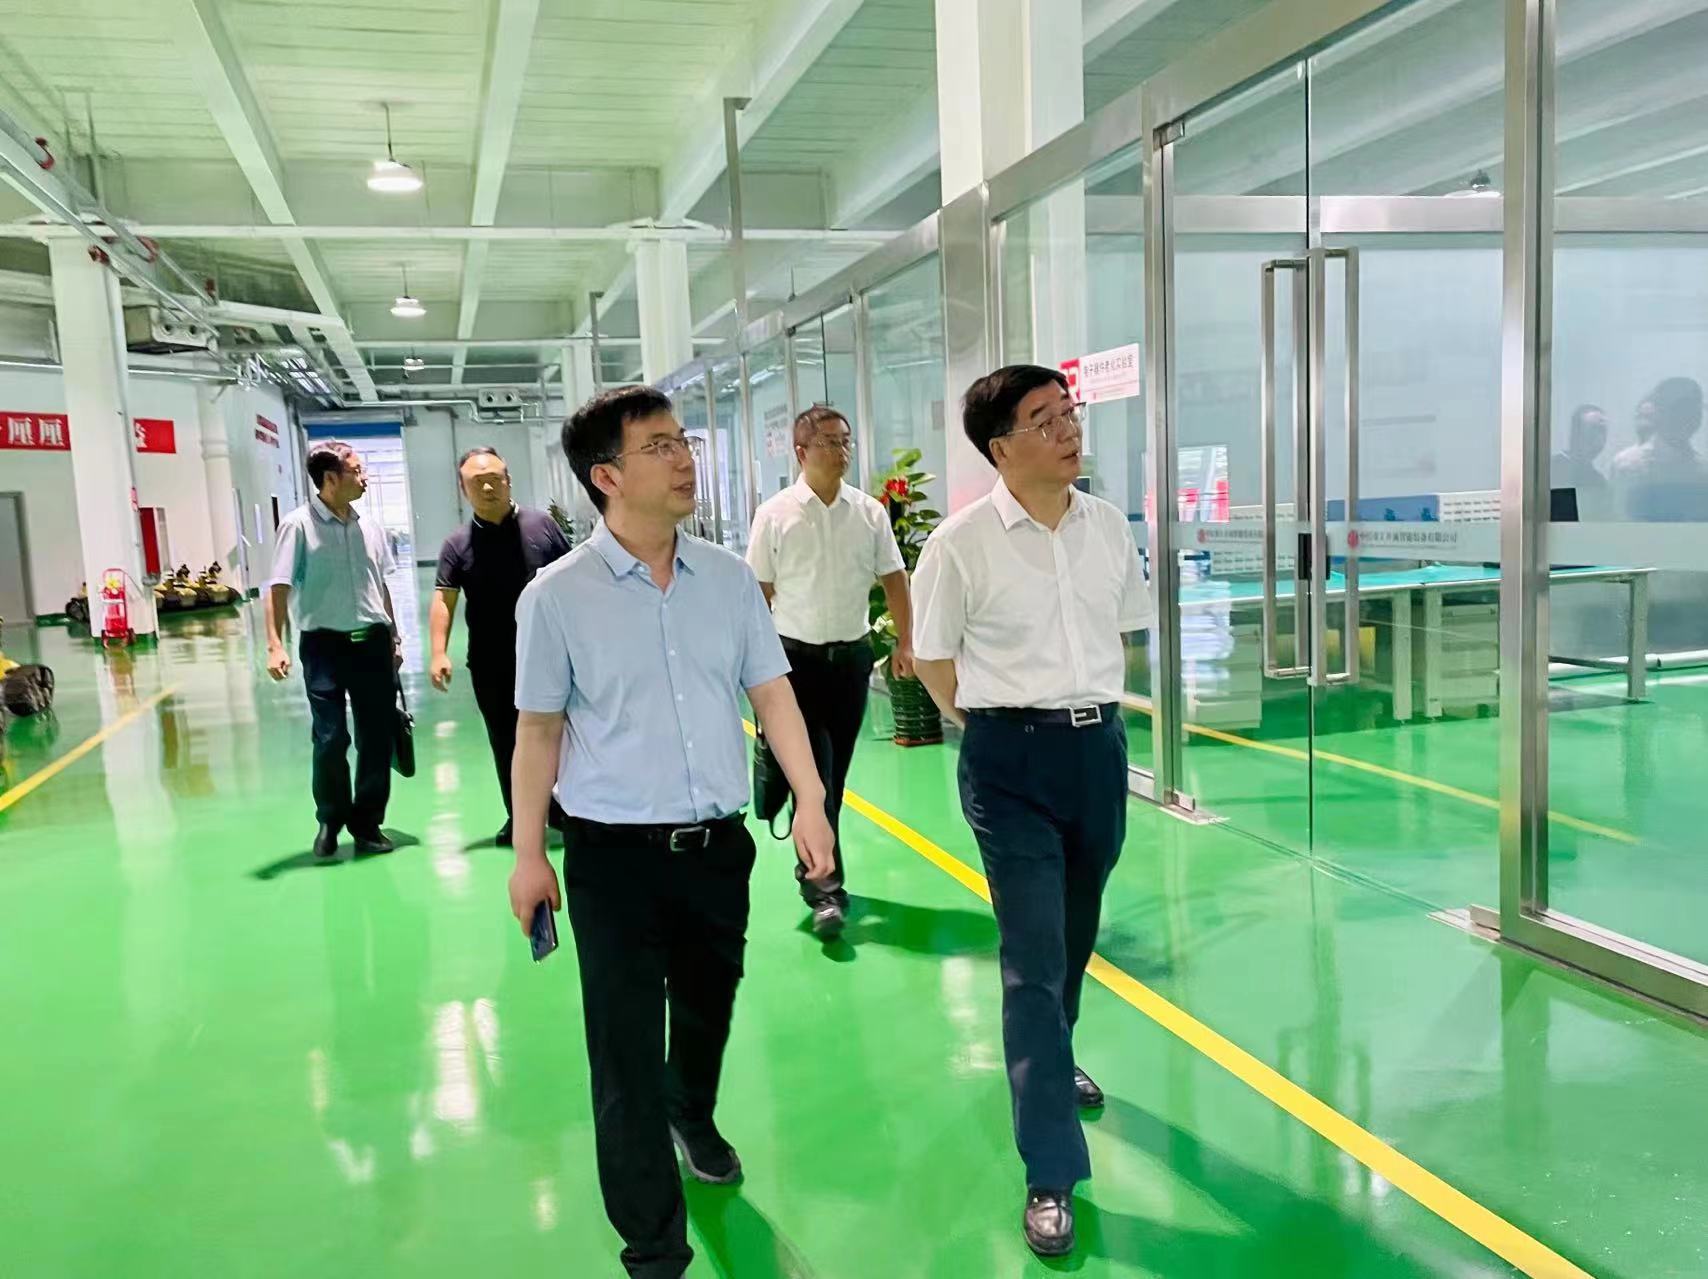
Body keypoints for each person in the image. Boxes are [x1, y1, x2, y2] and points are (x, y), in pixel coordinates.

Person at [505, 385, 836, 1279]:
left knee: (705, 1008)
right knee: (622, 1051)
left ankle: (690, 1108)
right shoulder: (556, 598)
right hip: (613, 859)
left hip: (716, 850)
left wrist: (810, 800)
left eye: (682, 441)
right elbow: (537, 730)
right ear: (607, 476)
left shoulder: (726, 580)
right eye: (658, 446)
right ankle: (654, 1247)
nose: (684, 458)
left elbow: (773, 694)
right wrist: (530, 854)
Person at [911, 365, 1154, 1260]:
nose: (1067, 430)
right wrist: (995, 727)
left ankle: (1053, 1057)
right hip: (1009, 761)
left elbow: (1120, 630)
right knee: (1032, 957)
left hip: (1097, 754)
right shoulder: (960, 544)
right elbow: (933, 660)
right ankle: (1050, 1167)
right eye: (1043, 419)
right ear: (1001, 448)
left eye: (1069, 412)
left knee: (1074, 937)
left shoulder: (1107, 527)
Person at [746, 404, 914, 939]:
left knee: (832, 776)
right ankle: (823, 888)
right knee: (814, 778)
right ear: (801, 451)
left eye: (845, 441)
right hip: (794, 664)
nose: (841, 451)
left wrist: (906, 641)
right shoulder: (774, 515)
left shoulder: (868, 513)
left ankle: (819, 866)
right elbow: (758, 594)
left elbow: (894, 578)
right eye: (829, 442)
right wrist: (754, 668)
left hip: (851, 661)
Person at [264, 441, 403, 859]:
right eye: (356, 471)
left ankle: (368, 823)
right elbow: (278, 588)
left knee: (376, 737)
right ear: (330, 478)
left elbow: (380, 584)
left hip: (371, 642)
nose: (364, 478)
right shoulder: (298, 526)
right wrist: (275, 644)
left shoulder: (371, 527)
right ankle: (330, 819)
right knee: (330, 737)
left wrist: (394, 636)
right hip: (323, 646)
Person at [429, 447, 571, 845]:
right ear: (464, 490)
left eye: (495, 479)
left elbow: (574, 581)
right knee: (506, 739)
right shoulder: (457, 544)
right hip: (492, 661)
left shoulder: (542, 526)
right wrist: (438, 652)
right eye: (478, 482)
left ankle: (565, 809)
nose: (488, 487)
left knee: (561, 734)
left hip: (550, 654)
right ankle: (520, 816)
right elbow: (444, 599)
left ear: (509, 481)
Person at [1549, 404, 1610, 522]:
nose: (1601, 437)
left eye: (1603, 431)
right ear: (1577, 433)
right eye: (1595, 429)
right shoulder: (1551, 470)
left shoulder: (1598, 480)